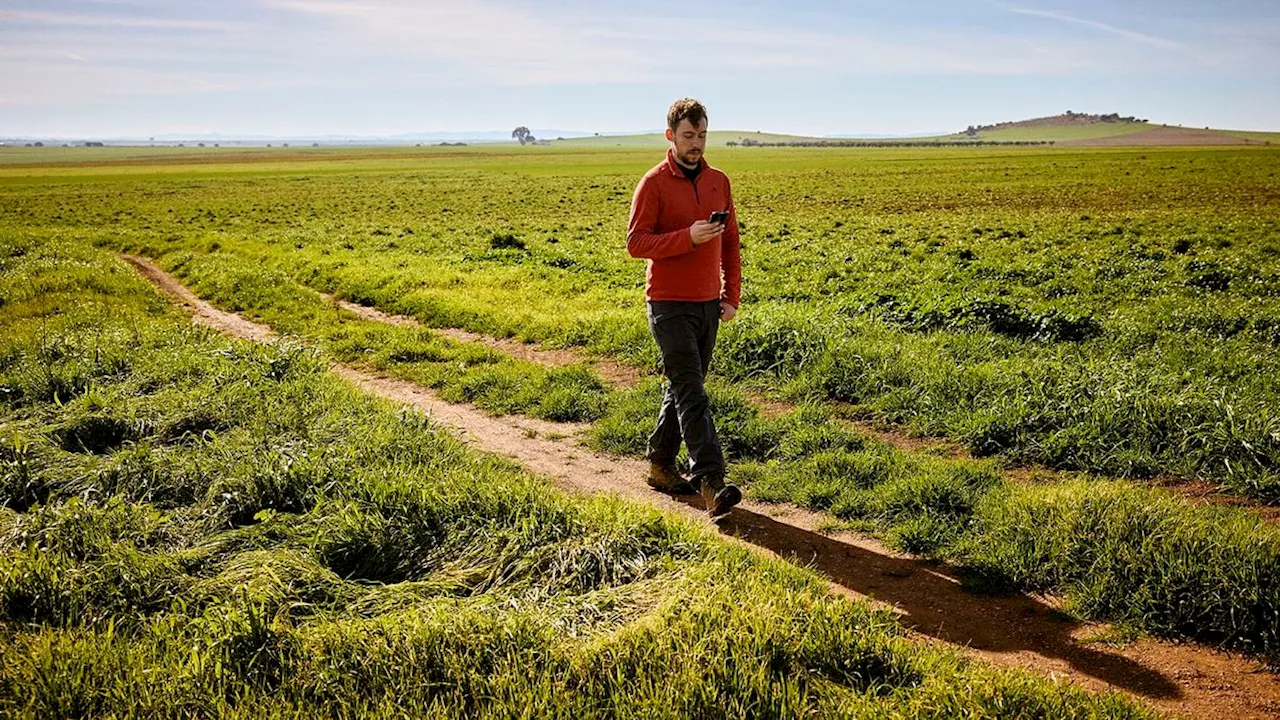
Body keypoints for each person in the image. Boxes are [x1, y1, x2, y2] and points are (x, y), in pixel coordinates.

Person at [626, 97, 742, 518]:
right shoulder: (653, 182)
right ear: (670, 135)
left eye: (703, 135)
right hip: (668, 303)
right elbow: (636, 244)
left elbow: (730, 241)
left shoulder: (719, 181)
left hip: (708, 303)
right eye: (689, 136)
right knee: (692, 391)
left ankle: (659, 462)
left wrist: (731, 296)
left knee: (683, 387)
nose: (697, 144)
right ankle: (711, 480)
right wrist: (686, 237)